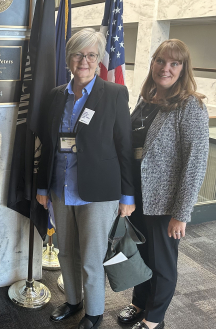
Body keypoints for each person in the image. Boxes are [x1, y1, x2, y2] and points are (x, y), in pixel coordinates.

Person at [36, 28, 135, 329]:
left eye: (91, 55)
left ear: (98, 60)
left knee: (91, 257)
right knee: (66, 250)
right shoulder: (56, 96)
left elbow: (125, 146)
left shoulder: (114, 93)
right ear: (69, 58)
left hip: (98, 192)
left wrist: (127, 196)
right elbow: (47, 143)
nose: (85, 61)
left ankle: (93, 312)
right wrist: (42, 186)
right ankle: (73, 301)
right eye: (79, 54)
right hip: (61, 187)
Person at [117, 39, 209, 329]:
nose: (165, 68)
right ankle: (139, 303)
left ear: (183, 69)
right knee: (142, 253)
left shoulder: (190, 105)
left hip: (165, 201)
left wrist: (181, 213)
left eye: (174, 63)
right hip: (138, 196)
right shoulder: (147, 99)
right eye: (160, 61)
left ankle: (154, 317)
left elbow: (195, 163)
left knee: (163, 262)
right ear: (152, 63)